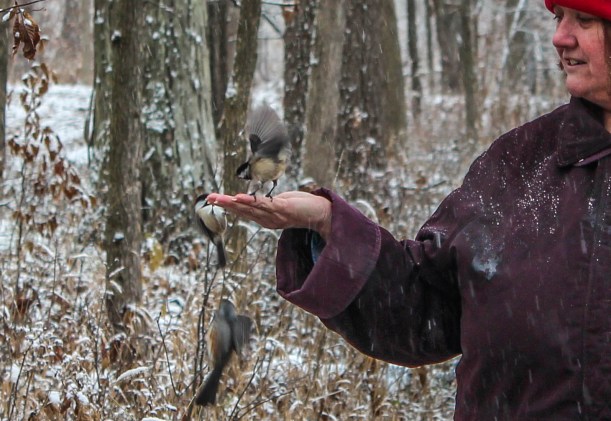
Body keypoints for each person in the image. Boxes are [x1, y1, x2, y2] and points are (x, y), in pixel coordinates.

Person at [207, 1, 611, 418]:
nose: (560, 37)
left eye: (584, 20)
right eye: (558, 17)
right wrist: (329, 225)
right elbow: (424, 306)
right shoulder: (520, 163)